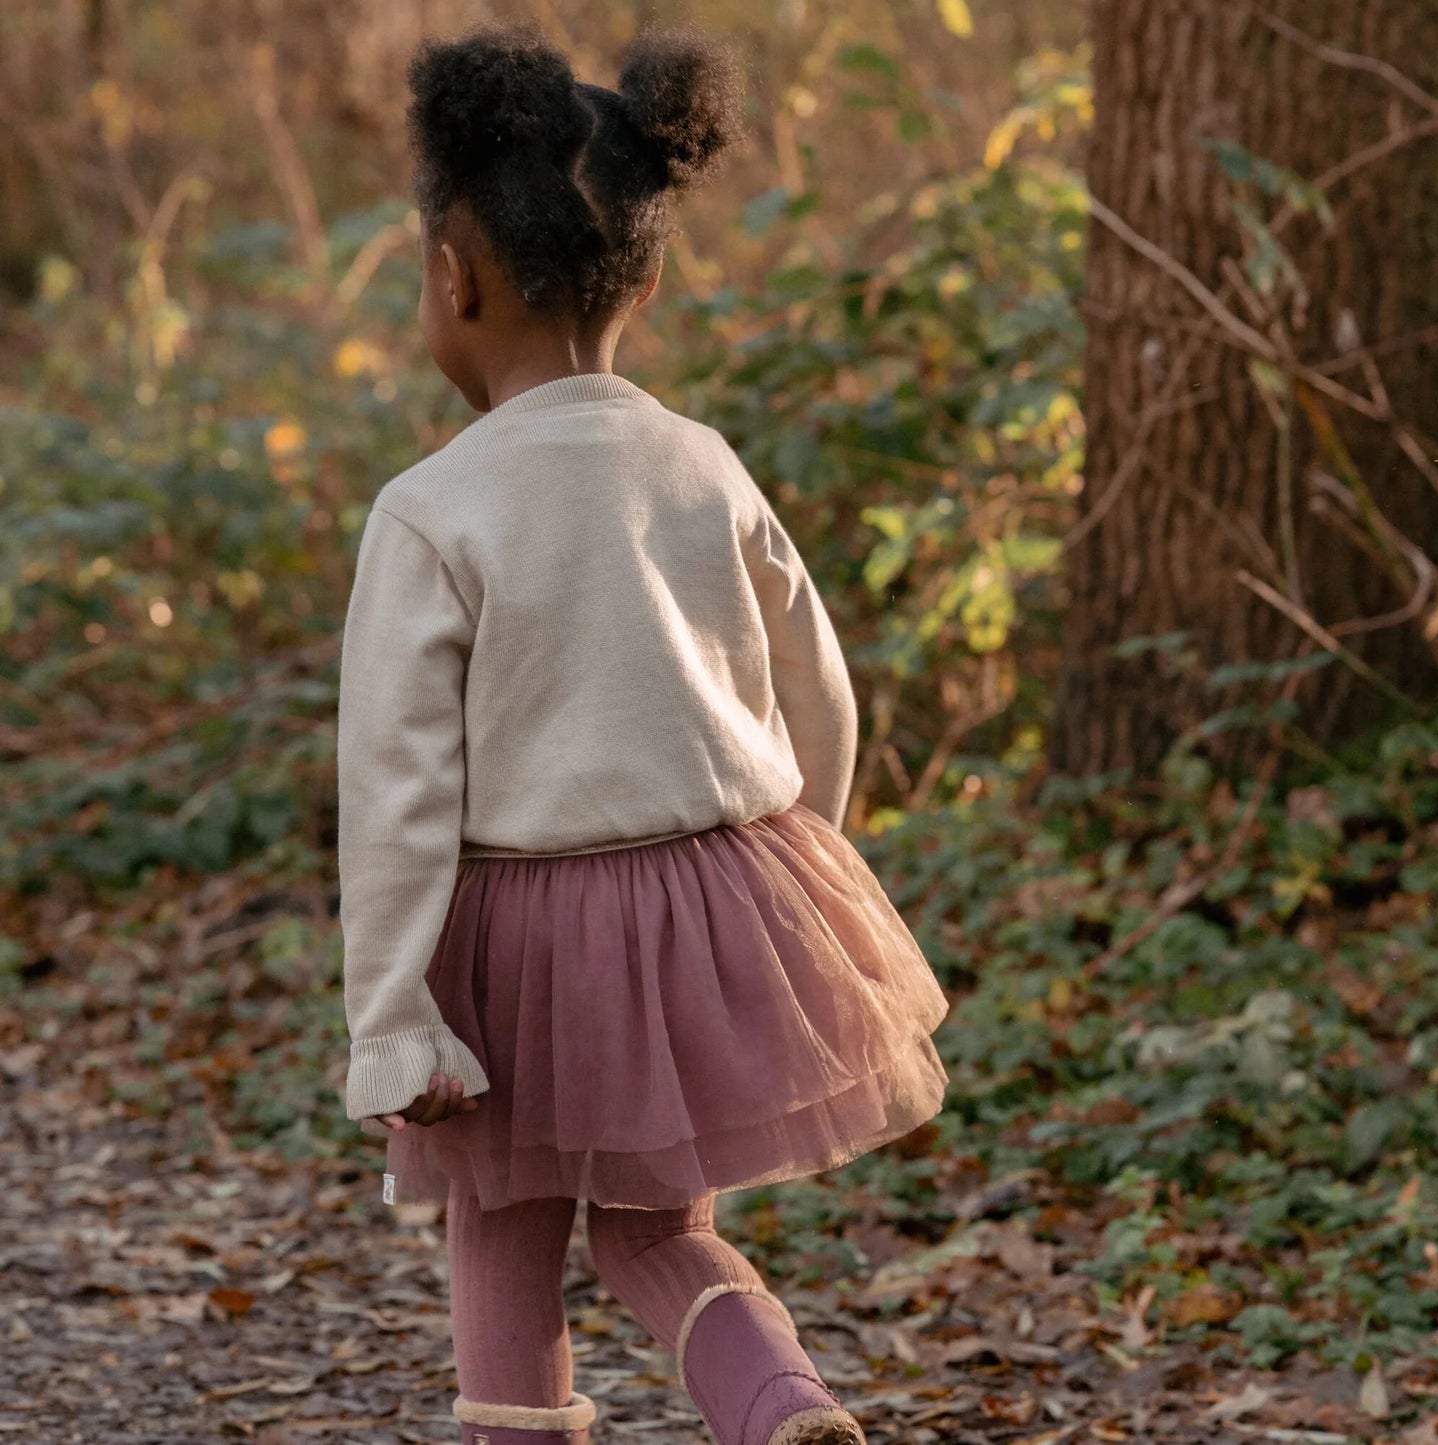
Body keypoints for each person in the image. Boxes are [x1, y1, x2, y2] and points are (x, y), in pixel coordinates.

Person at [335, 21, 951, 1445]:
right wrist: (793, 871)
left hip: (514, 940)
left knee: (502, 1227)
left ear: (451, 277)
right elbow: (817, 690)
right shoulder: (702, 463)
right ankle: (781, 1403)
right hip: (704, 899)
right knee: (663, 1228)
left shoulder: (433, 510)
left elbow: (398, 791)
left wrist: (393, 1016)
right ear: (648, 276)